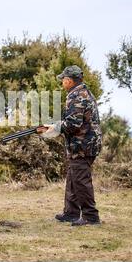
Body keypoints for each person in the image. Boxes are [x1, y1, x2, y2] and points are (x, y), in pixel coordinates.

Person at [37, 65, 102, 226]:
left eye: (63, 80)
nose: (62, 83)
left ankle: (90, 217)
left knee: (80, 180)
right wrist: (54, 126)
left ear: (69, 80)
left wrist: (55, 128)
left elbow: (73, 124)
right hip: (85, 143)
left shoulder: (76, 95)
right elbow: (74, 121)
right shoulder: (83, 92)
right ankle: (71, 213)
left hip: (83, 145)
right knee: (73, 178)